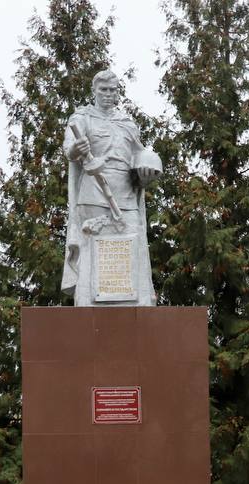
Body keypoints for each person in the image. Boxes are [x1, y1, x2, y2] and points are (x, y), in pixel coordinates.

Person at [61, 68, 162, 306]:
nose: (108, 94)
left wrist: (146, 175)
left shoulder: (127, 124)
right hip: (93, 192)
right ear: (94, 91)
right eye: (103, 90)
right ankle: (89, 300)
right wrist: (78, 148)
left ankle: (135, 301)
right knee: (93, 245)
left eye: (112, 90)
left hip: (125, 193)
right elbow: (69, 150)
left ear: (118, 93)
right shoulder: (81, 118)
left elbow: (139, 160)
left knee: (132, 240)